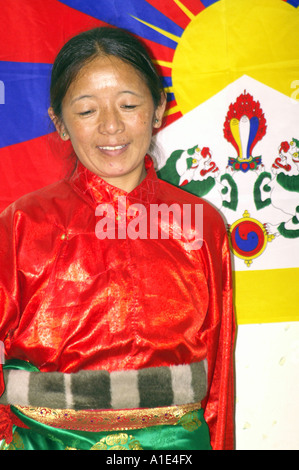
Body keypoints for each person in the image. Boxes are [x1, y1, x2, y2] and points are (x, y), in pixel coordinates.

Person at [0, 27, 235, 451]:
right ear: (60, 124)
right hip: (46, 442)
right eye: (87, 111)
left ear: (159, 110)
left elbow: (219, 371)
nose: (111, 126)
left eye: (128, 105)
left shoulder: (200, 225)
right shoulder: (21, 225)